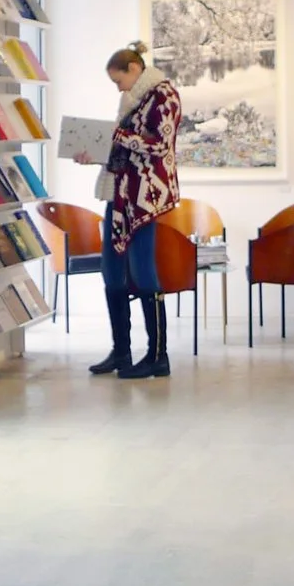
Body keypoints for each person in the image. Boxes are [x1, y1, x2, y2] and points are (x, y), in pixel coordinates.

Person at [70, 41, 182, 379]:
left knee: (144, 271)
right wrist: (95, 153)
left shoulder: (164, 96)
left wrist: (117, 136)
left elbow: (160, 146)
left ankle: (158, 356)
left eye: (118, 80)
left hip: (144, 197)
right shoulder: (134, 98)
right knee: (111, 270)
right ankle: (122, 352)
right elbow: (125, 149)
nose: (118, 88)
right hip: (120, 194)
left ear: (134, 69)